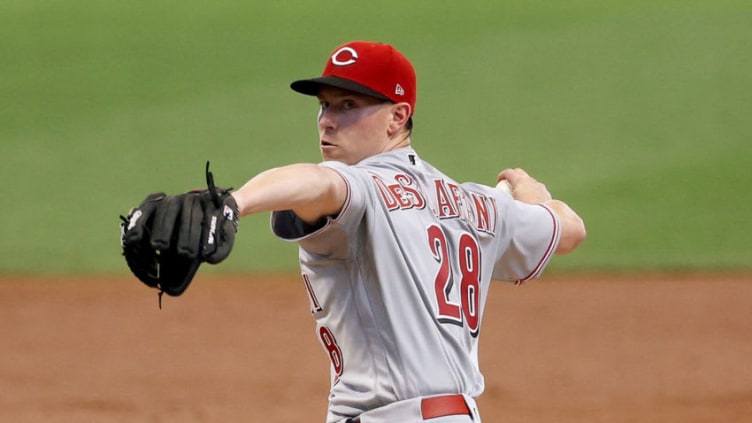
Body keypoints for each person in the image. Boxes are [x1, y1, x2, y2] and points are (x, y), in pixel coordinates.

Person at [230, 41, 586, 423]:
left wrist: (235, 203)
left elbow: (318, 183)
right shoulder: (478, 205)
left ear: (398, 117)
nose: (327, 120)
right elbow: (569, 229)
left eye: (348, 105)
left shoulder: (363, 186)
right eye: (324, 105)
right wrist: (536, 203)